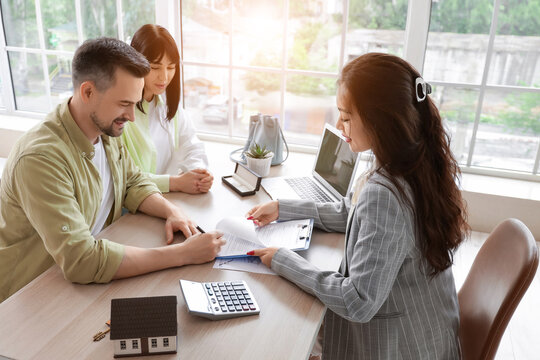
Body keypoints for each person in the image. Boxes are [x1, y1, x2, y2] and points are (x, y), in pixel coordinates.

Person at [246, 53, 469, 359]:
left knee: (279, 334)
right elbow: (355, 215)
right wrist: (285, 208)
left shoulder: (386, 192)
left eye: (347, 116)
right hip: (427, 333)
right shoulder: (414, 163)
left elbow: (358, 301)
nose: (339, 124)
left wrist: (284, 260)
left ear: (381, 120)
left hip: (404, 348)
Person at [0, 38, 225, 303]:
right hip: (32, 296)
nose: (131, 116)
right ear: (87, 92)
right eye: (124, 103)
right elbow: (82, 260)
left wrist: (172, 212)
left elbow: (132, 181)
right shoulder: (40, 159)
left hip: (83, 281)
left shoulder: (105, 130)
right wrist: (183, 255)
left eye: (135, 103)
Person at [121, 24, 213, 194]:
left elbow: (191, 143)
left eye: (171, 67)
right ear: (135, 62)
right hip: (133, 208)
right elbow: (123, 177)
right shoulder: (121, 113)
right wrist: (175, 183)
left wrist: (198, 172)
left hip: (166, 199)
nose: (164, 77)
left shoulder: (167, 104)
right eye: (155, 67)